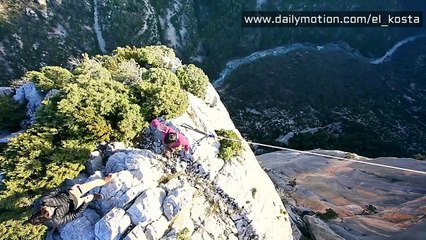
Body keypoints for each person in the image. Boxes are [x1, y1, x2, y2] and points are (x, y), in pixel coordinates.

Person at [26, 174, 113, 229]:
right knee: (88, 198)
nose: (51, 208)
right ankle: (93, 197)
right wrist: (85, 203)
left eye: (47, 207)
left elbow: (57, 190)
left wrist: (69, 188)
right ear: (48, 218)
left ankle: (104, 181)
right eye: (50, 212)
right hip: (75, 204)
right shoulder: (55, 222)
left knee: (93, 183)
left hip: (71, 193)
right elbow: (74, 215)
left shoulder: (44, 201)